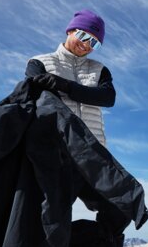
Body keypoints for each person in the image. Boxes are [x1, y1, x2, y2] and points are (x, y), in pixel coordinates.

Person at [26, 9, 115, 146]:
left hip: (94, 149)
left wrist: (67, 86)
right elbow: (33, 98)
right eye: (83, 36)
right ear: (70, 31)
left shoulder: (99, 69)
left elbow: (108, 98)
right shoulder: (38, 62)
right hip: (52, 144)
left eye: (94, 43)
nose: (86, 45)